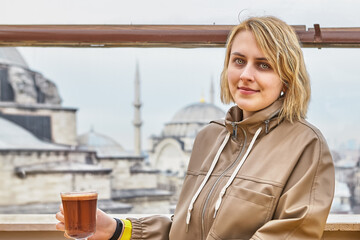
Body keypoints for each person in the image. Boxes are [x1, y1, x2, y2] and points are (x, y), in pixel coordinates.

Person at [56, 16, 335, 240]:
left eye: (263, 65)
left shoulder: (305, 145)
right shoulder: (209, 137)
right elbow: (185, 228)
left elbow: (292, 233)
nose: (246, 75)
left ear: (286, 79)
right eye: (238, 61)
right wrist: (117, 229)